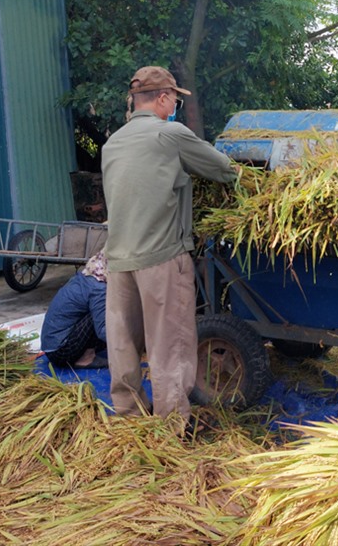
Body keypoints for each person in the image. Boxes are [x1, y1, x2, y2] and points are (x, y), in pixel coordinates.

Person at [101, 66, 238, 424]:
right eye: (175, 97)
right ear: (162, 97)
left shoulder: (112, 143)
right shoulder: (170, 134)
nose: (175, 103)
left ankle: (129, 416)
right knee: (169, 347)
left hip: (117, 261)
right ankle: (170, 427)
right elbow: (224, 169)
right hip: (161, 259)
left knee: (123, 344)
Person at [41, 249, 108, 369]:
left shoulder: (89, 274)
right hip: (60, 350)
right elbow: (103, 331)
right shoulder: (98, 287)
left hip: (52, 345)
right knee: (102, 316)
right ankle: (86, 358)